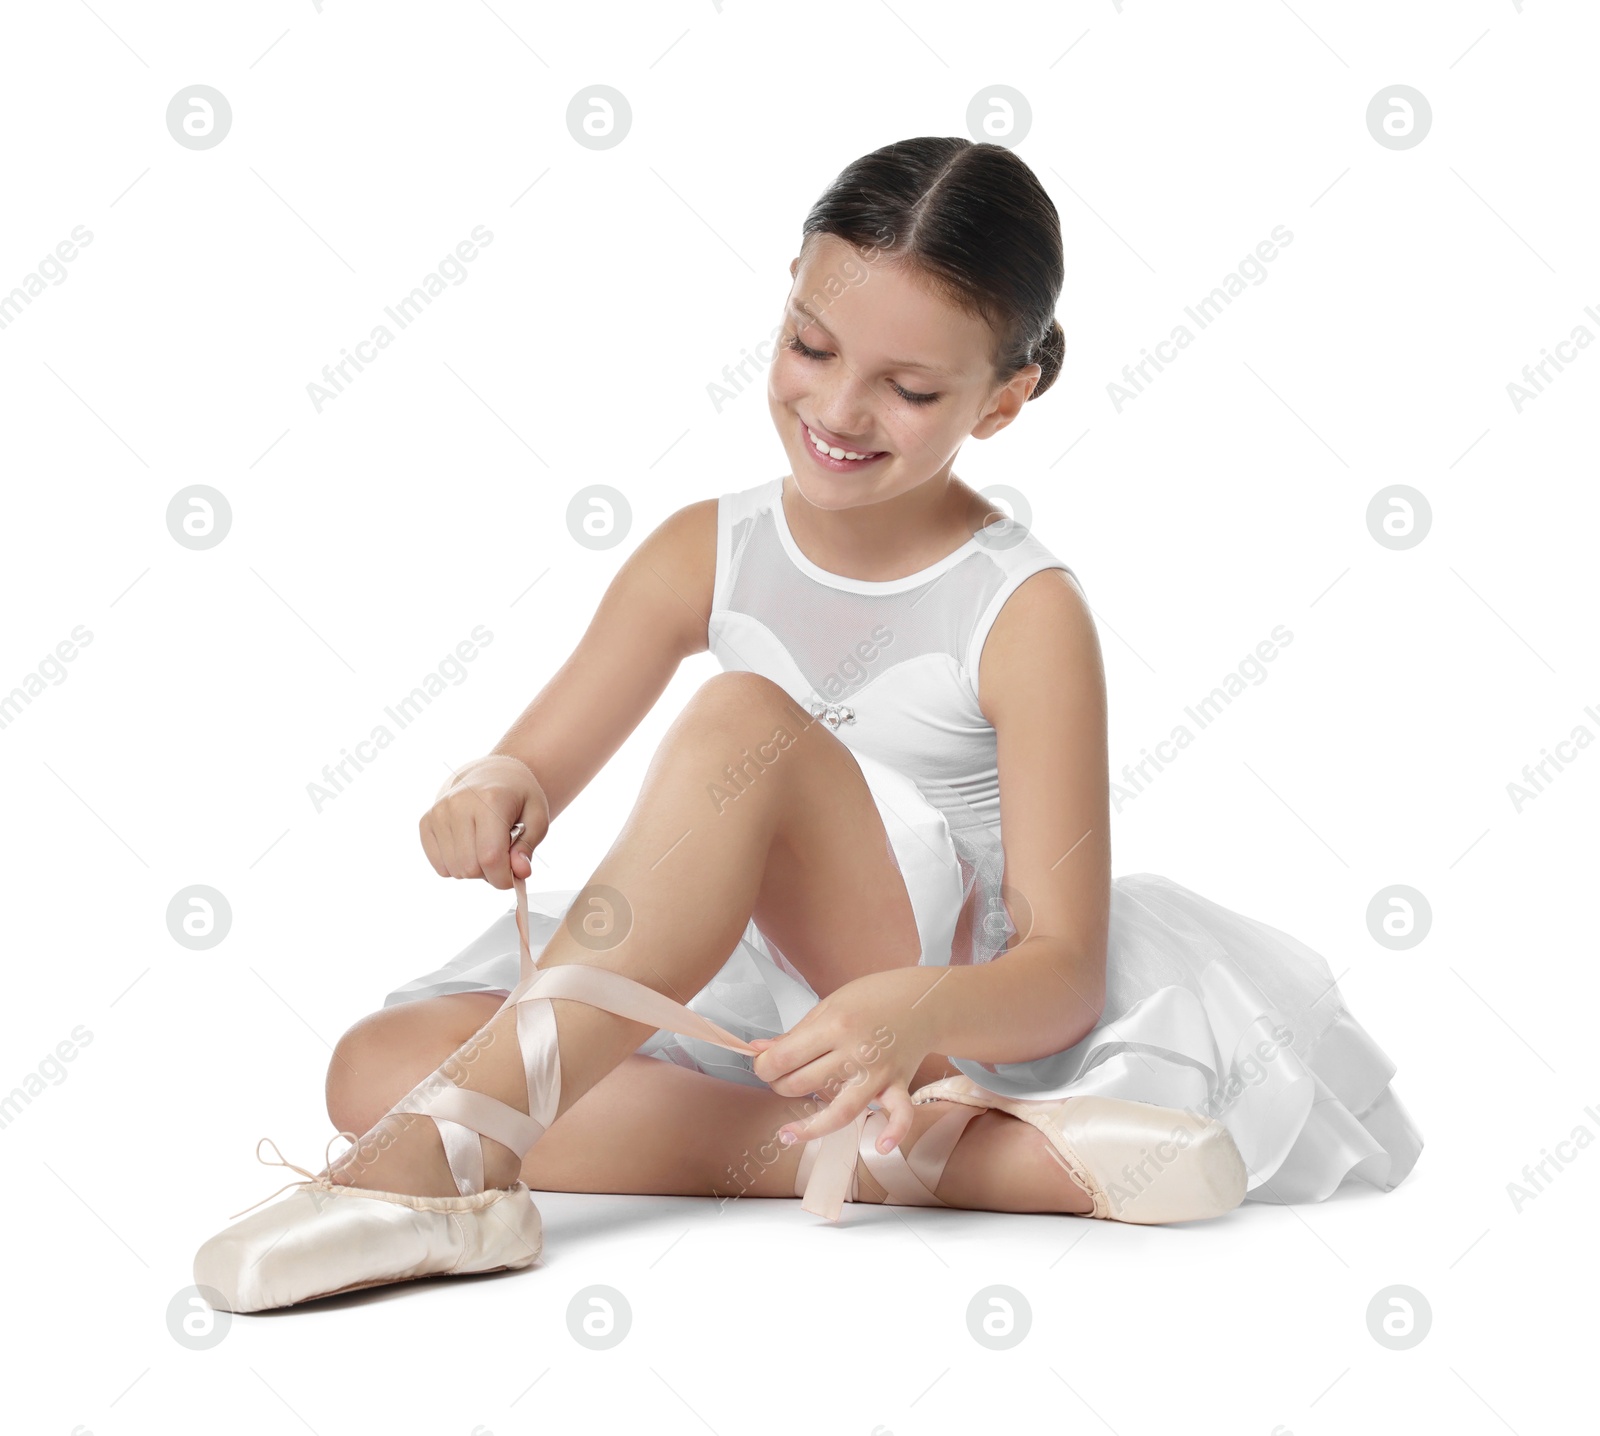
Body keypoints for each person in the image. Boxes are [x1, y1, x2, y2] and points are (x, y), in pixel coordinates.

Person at [194, 136, 1421, 1313]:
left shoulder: (1021, 609)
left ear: (1004, 397)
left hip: (931, 1000)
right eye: (811, 344)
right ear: (785, 293)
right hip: (753, 994)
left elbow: (1058, 970)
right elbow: (537, 755)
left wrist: (917, 1013)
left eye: (910, 386)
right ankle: (914, 1163)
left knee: (742, 723)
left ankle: (439, 1176)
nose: (839, 406)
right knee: (375, 1066)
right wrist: (497, 781)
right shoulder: (704, 548)